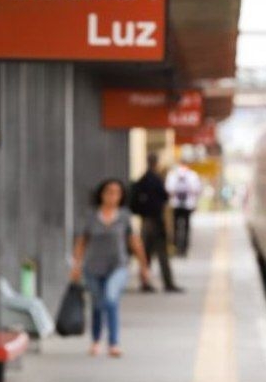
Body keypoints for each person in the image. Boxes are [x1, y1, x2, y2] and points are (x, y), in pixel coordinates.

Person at [69, 178, 152, 358]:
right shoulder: (91, 216)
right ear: (101, 194)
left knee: (111, 298)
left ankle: (114, 342)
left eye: (116, 193)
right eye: (109, 192)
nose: (112, 196)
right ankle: (96, 340)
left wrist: (143, 266)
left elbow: (135, 242)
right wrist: (76, 265)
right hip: (93, 267)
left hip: (118, 266)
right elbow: (81, 242)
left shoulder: (124, 216)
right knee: (98, 304)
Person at [129, 153, 183, 293]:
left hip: (146, 221)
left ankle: (146, 282)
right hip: (155, 221)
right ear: (155, 163)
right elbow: (164, 197)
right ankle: (167, 283)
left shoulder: (143, 179)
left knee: (146, 254)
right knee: (161, 254)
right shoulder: (156, 179)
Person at [165, 161, 205, 256]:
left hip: (183, 205)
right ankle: (180, 248)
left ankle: (181, 248)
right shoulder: (188, 175)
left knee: (180, 227)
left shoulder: (177, 175)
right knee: (182, 227)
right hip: (179, 205)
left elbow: (169, 189)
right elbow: (197, 189)